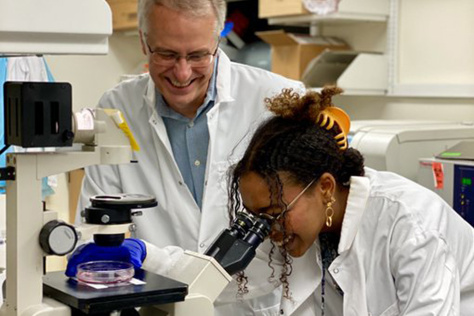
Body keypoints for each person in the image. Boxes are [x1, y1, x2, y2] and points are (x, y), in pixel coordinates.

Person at [67, 0, 305, 314]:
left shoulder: (277, 102)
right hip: (157, 306)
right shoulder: (116, 108)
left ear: (217, 41)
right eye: (166, 54)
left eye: (197, 55)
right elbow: (96, 226)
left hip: (255, 306)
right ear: (143, 41)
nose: (182, 72)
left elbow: (304, 235)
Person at [227, 86, 474, 315]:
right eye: (258, 217)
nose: (269, 230)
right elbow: (232, 285)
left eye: (275, 213)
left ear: (325, 187)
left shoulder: (410, 223)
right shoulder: (302, 223)